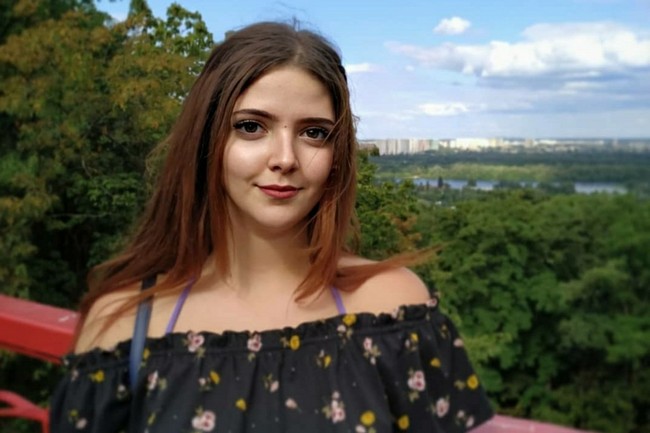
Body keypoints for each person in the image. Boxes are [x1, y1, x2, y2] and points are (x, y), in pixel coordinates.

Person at [50, 21, 493, 432]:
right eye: (251, 127)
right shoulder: (124, 326)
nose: (285, 158)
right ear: (206, 140)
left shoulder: (396, 312)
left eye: (313, 133)